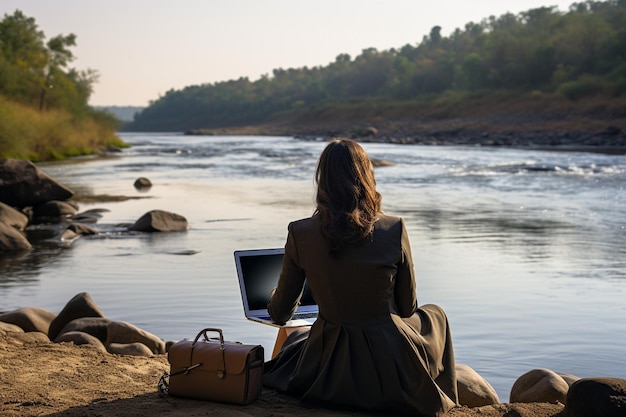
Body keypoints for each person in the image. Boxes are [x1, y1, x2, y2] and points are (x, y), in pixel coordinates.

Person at [263, 138, 458, 417]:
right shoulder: (393, 228)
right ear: (366, 176)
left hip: (326, 366)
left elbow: (281, 315)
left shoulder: (299, 232)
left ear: (323, 179)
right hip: (386, 363)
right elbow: (407, 308)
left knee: (295, 340)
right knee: (435, 314)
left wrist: (273, 296)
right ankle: (442, 395)